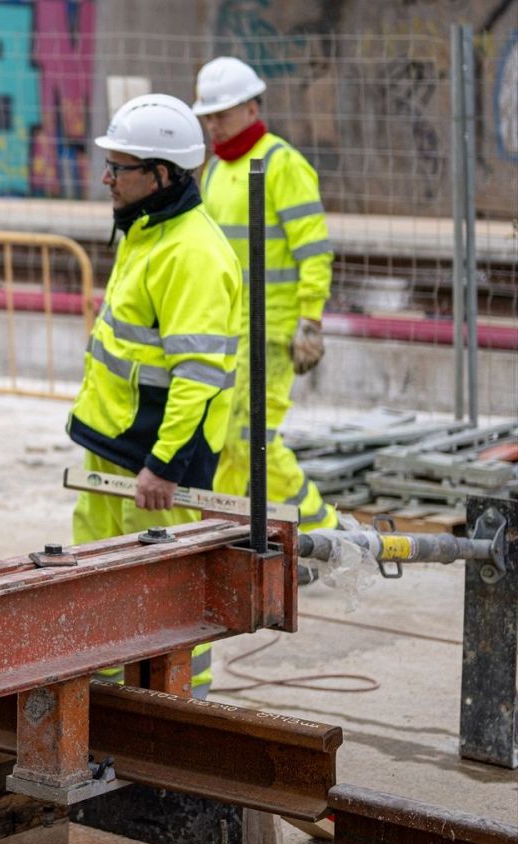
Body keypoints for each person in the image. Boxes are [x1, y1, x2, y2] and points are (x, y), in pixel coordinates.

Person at [69, 94, 241, 699]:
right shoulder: (146, 230)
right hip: (114, 441)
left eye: (119, 167)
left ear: (162, 174)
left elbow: (197, 377)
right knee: (97, 577)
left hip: (154, 460)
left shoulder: (193, 254)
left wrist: (165, 465)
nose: (107, 178)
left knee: (164, 592)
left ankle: (176, 707)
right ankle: (103, 698)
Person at [194, 56, 339, 531]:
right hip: (227, 330)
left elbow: (313, 250)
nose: (213, 125)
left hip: (272, 331)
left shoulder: (282, 164)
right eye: (207, 116)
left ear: (252, 108)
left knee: (252, 440)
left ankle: (322, 530)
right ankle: (226, 529)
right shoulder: (215, 170)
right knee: (227, 440)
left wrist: (310, 320)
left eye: (221, 114)